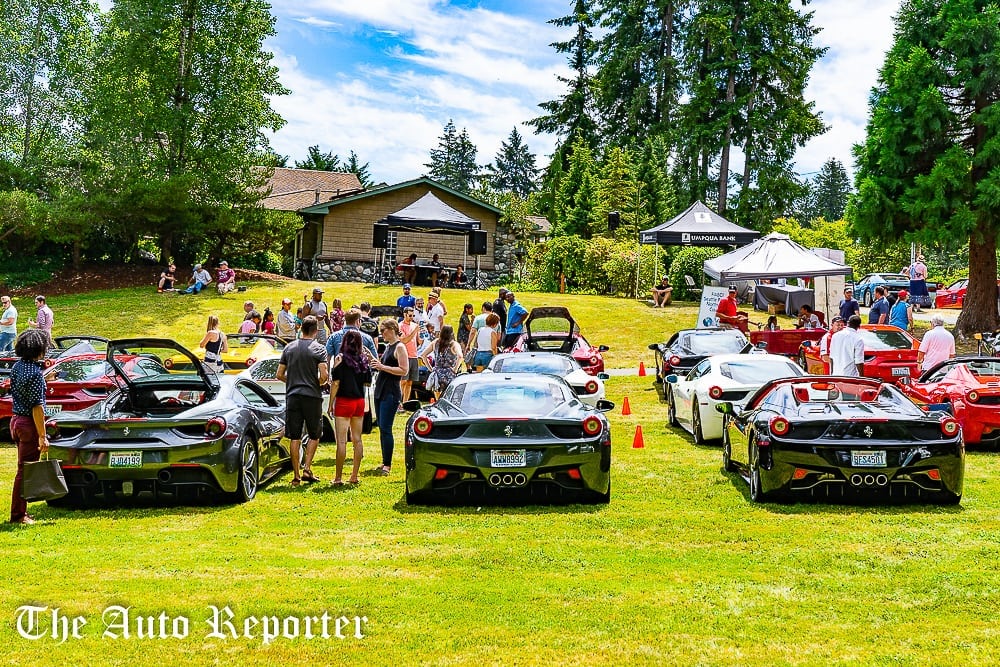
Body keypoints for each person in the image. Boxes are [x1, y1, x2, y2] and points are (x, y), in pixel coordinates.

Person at [277, 316, 329, 486]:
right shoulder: (319, 349)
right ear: (315, 330)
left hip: (293, 395)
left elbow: (279, 374)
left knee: (294, 435)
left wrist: (292, 381)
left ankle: (296, 475)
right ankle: (307, 467)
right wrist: (317, 383)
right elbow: (324, 376)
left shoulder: (289, 348)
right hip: (312, 396)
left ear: (301, 329)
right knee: (315, 434)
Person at [8, 329, 50, 524]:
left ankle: (21, 512)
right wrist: (42, 436)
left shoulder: (18, 367)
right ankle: (18, 515)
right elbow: (37, 407)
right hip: (28, 425)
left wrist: (45, 381)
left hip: (15, 421)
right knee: (24, 471)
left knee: (22, 468)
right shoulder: (35, 374)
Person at [328, 330, 372, 486]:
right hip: (359, 401)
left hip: (344, 401)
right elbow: (368, 382)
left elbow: (335, 383)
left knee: (341, 441)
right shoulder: (363, 360)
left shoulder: (340, 359)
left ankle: (338, 477)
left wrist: (330, 403)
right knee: (357, 440)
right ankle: (354, 475)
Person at [369, 318, 408, 476]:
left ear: (392, 329)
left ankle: (388, 465)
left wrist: (382, 366)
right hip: (381, 390)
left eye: (383, 330)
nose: (382, 333)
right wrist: (376, 362)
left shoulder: (400, 347)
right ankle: (384, 461)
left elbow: (404, 370)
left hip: (391, 392)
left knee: (386, 428)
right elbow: (384, 366)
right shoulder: (388, 347)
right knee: (381, 427)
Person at [421, 324, 462, 399]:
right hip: (449, 374)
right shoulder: (454, 344)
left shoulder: (435, 342)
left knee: (438, 399)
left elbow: (423, 355)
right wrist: (455, 369)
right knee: (449, 398)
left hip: (437, 373)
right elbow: (460, 356)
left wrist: (431, 368)